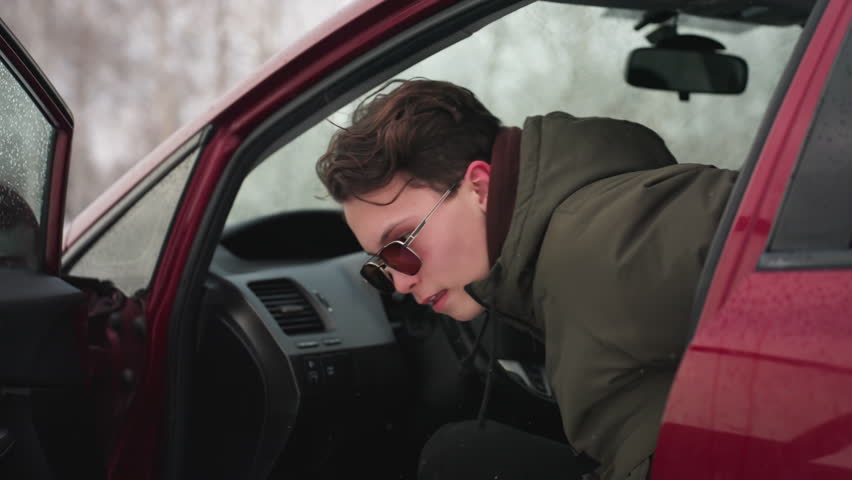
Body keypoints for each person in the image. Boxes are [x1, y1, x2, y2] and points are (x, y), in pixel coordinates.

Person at [316, 79, 736, 480]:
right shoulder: (573, 245)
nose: (401, 283)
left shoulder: (615, 242)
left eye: (400, 245)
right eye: (381, 266)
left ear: (479, 188)